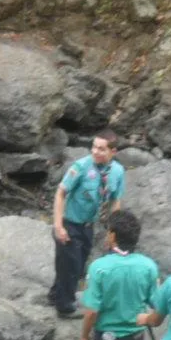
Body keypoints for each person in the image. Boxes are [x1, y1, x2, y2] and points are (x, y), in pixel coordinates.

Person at [79, 210, 158, 340]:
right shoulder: (148, 266)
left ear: (113, 236)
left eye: (107, 232)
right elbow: (156, 301)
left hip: (106, 336)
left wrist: (84, 337)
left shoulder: (99, 268)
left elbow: (92, 311)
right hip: (134, 333)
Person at [48, 130, 126, 319]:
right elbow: (60, 193)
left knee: (78, 264)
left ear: (113, 152)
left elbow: (116, 200)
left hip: (88, 226)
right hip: (70, 223)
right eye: (94, 147)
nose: (96, 152)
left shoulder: (117, 172)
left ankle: (56, 294)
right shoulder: (81, 167)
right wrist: (58, 225)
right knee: (71, 265)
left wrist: (113, 232)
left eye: (101, 149)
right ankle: (64, 307)